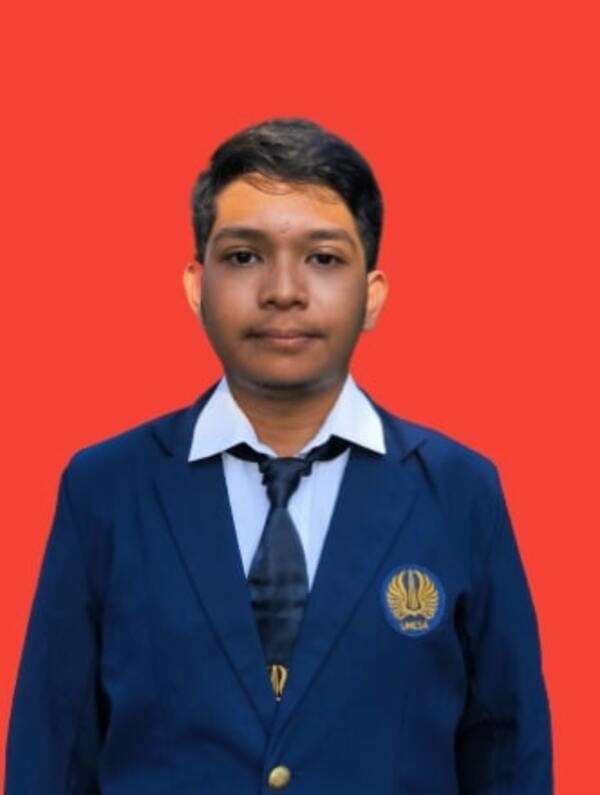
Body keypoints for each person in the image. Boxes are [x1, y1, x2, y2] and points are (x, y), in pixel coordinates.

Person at [5, 118, 553, 793]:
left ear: (373, 294)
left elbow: (508, 751)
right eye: (244, 257)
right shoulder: (104, 490)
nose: (283, 290)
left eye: (323, 258)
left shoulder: (461, 491)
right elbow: (51, 750)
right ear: (196, 285)